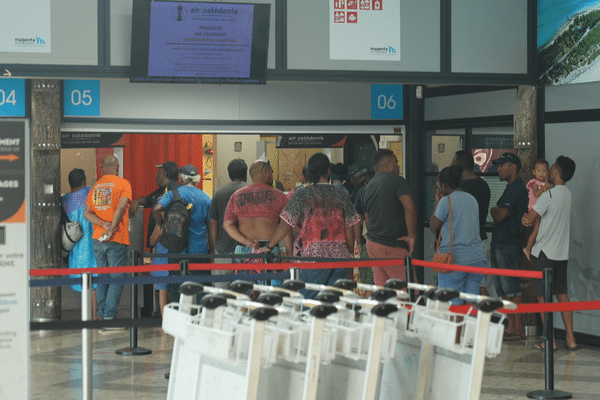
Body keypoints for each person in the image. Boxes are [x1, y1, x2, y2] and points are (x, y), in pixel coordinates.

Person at [261, 153, 361, 298]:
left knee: (310, 302)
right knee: (337, 303)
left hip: (313, 259)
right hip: (340, 257)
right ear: (328, 171)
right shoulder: (341, 194)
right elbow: (350, 227)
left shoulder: (302, 194)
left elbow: (285, 224)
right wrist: (349, 254)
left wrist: (270, 246)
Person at [522, 156, 577, 351]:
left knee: (543, 298)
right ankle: (571, 340)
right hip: (561, 254)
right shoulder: (567, 194)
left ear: (557, 172)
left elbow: (530, 219)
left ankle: (550, 341)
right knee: (563, 296)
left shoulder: (549, 195)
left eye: (552, 168)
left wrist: (524, 219)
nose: (549, 171)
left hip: (544, 252)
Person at [152, 164, 212, 314]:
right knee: (199, 285)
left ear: (181, 178)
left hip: (176, 248)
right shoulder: (205, 198)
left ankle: (179, 322)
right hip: (199, 251)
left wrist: (162, 225)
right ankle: (197, 321)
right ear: (197, 179)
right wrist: (212, 251)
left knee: (176, 285)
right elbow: (211, 229)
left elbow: (156, 209)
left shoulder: (173, 194)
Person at [223, 160, 292, 283]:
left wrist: (245, 241)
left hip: (243, 249)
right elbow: (286, 225)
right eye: (271, 173)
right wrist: (289, 255)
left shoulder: (236, 196)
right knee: (270, 297)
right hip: (269, 250)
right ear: (265, 173)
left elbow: (227, 224)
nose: (272, 177)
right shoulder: (279, 196)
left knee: (243, 295)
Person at [84, 155, 132, 322]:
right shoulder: (123, 183)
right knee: (117, 278)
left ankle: (102, 312)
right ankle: (109, 315)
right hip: (116, 237)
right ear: (117, 167)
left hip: (97, 238)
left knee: (103, 277)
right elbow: (121, 206)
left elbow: (87, 213)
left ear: (102, 168)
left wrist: (102, 224)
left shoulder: (95, 188)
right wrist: (111, 228)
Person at [429, 165, 487, 304]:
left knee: (453, 304)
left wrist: (437, 202)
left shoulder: (446, 201)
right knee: (471, 301)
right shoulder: (472, 199)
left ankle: (457, 326)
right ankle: (470, 326)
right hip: (476, 259)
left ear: (443, 185)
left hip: (454, 260)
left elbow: (433, 226)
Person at [361, 149, 417, 286]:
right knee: (408, 290)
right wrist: (411, 236)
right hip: (392, 243)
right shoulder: (397, 181)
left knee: (383, 289)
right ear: (388, 164)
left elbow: (367, 220)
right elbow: (409, 208)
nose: (398, 166)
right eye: (396, 163)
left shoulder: (367, 187)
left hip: (372, 243)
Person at [489, 152, 528, 340]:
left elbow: (498, 215)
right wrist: (497, 210)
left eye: (501, 165)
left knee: (511, 287)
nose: (498, 169)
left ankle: (518, 328)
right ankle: (510, 327)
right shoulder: (509, 188)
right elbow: (499, 212)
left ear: (513, 167)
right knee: (502, 289)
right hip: (500, 242)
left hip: (508, 243)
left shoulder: (517, 189)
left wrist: (495, 210)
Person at [62, 168, 98, 319]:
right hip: (92, 244)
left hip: (76, 247)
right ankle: (95, 314)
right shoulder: (90, 192)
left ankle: (86, 314)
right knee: (94, 281)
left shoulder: (65, 200)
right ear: (83, 182)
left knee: (82, 281)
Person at [208, 159, 248, 288]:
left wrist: (214, 247)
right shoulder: (249, 191)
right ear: (245, 174)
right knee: (244, 291)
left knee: (221, 292)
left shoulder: (219, 192)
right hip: (245, 248)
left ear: (229, 174)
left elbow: (213, 223)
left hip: (223, 249)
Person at [129, 161, 180, 251]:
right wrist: (136, 201)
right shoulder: (159, 191)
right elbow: (146, 201)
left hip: (168, 244)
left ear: (164, 174)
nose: (156, 175)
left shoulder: (176, 191)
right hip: (157, 244)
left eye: (158, 172)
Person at [452, 150, 491, 242]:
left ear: (459, 165)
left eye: (453, 164)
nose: (452, 167)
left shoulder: (459, 189)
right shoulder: (484, 185)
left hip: (463, 241)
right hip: (480, 237)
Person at [523, 158, 552, 261]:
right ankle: (528, 248)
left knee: (538, 230)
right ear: (534, 172)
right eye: (538, 171)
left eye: (544, 171)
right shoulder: (534, 183)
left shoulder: (545, 183)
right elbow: (536, 194)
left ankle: (530, 247)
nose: (541, 173)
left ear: (548, 172)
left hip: (540, 209)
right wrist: (545, 188)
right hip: (534, 208)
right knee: (536, 230)